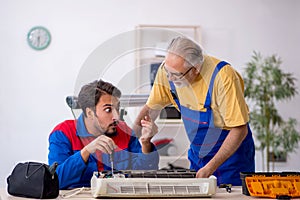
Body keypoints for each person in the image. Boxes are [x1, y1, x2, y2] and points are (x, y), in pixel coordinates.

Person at [134, 36, 255, 186]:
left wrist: (210, 168)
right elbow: (151, 108)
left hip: (232, 158)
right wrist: (130, 142)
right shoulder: (169, 70)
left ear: (196, 69)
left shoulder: (223, 78)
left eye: (176, 75)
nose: (170, 79)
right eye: (167, 72)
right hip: (198, 155)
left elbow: (239, 130)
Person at [48, 79, 159, 189]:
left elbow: (144, 176)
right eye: (108, 110)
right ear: (90, 113)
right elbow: (56, 180)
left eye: (117, 108)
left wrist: (146, 143)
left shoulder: (125, 131)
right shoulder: (62, 133)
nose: (116, 116)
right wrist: (86, 152)